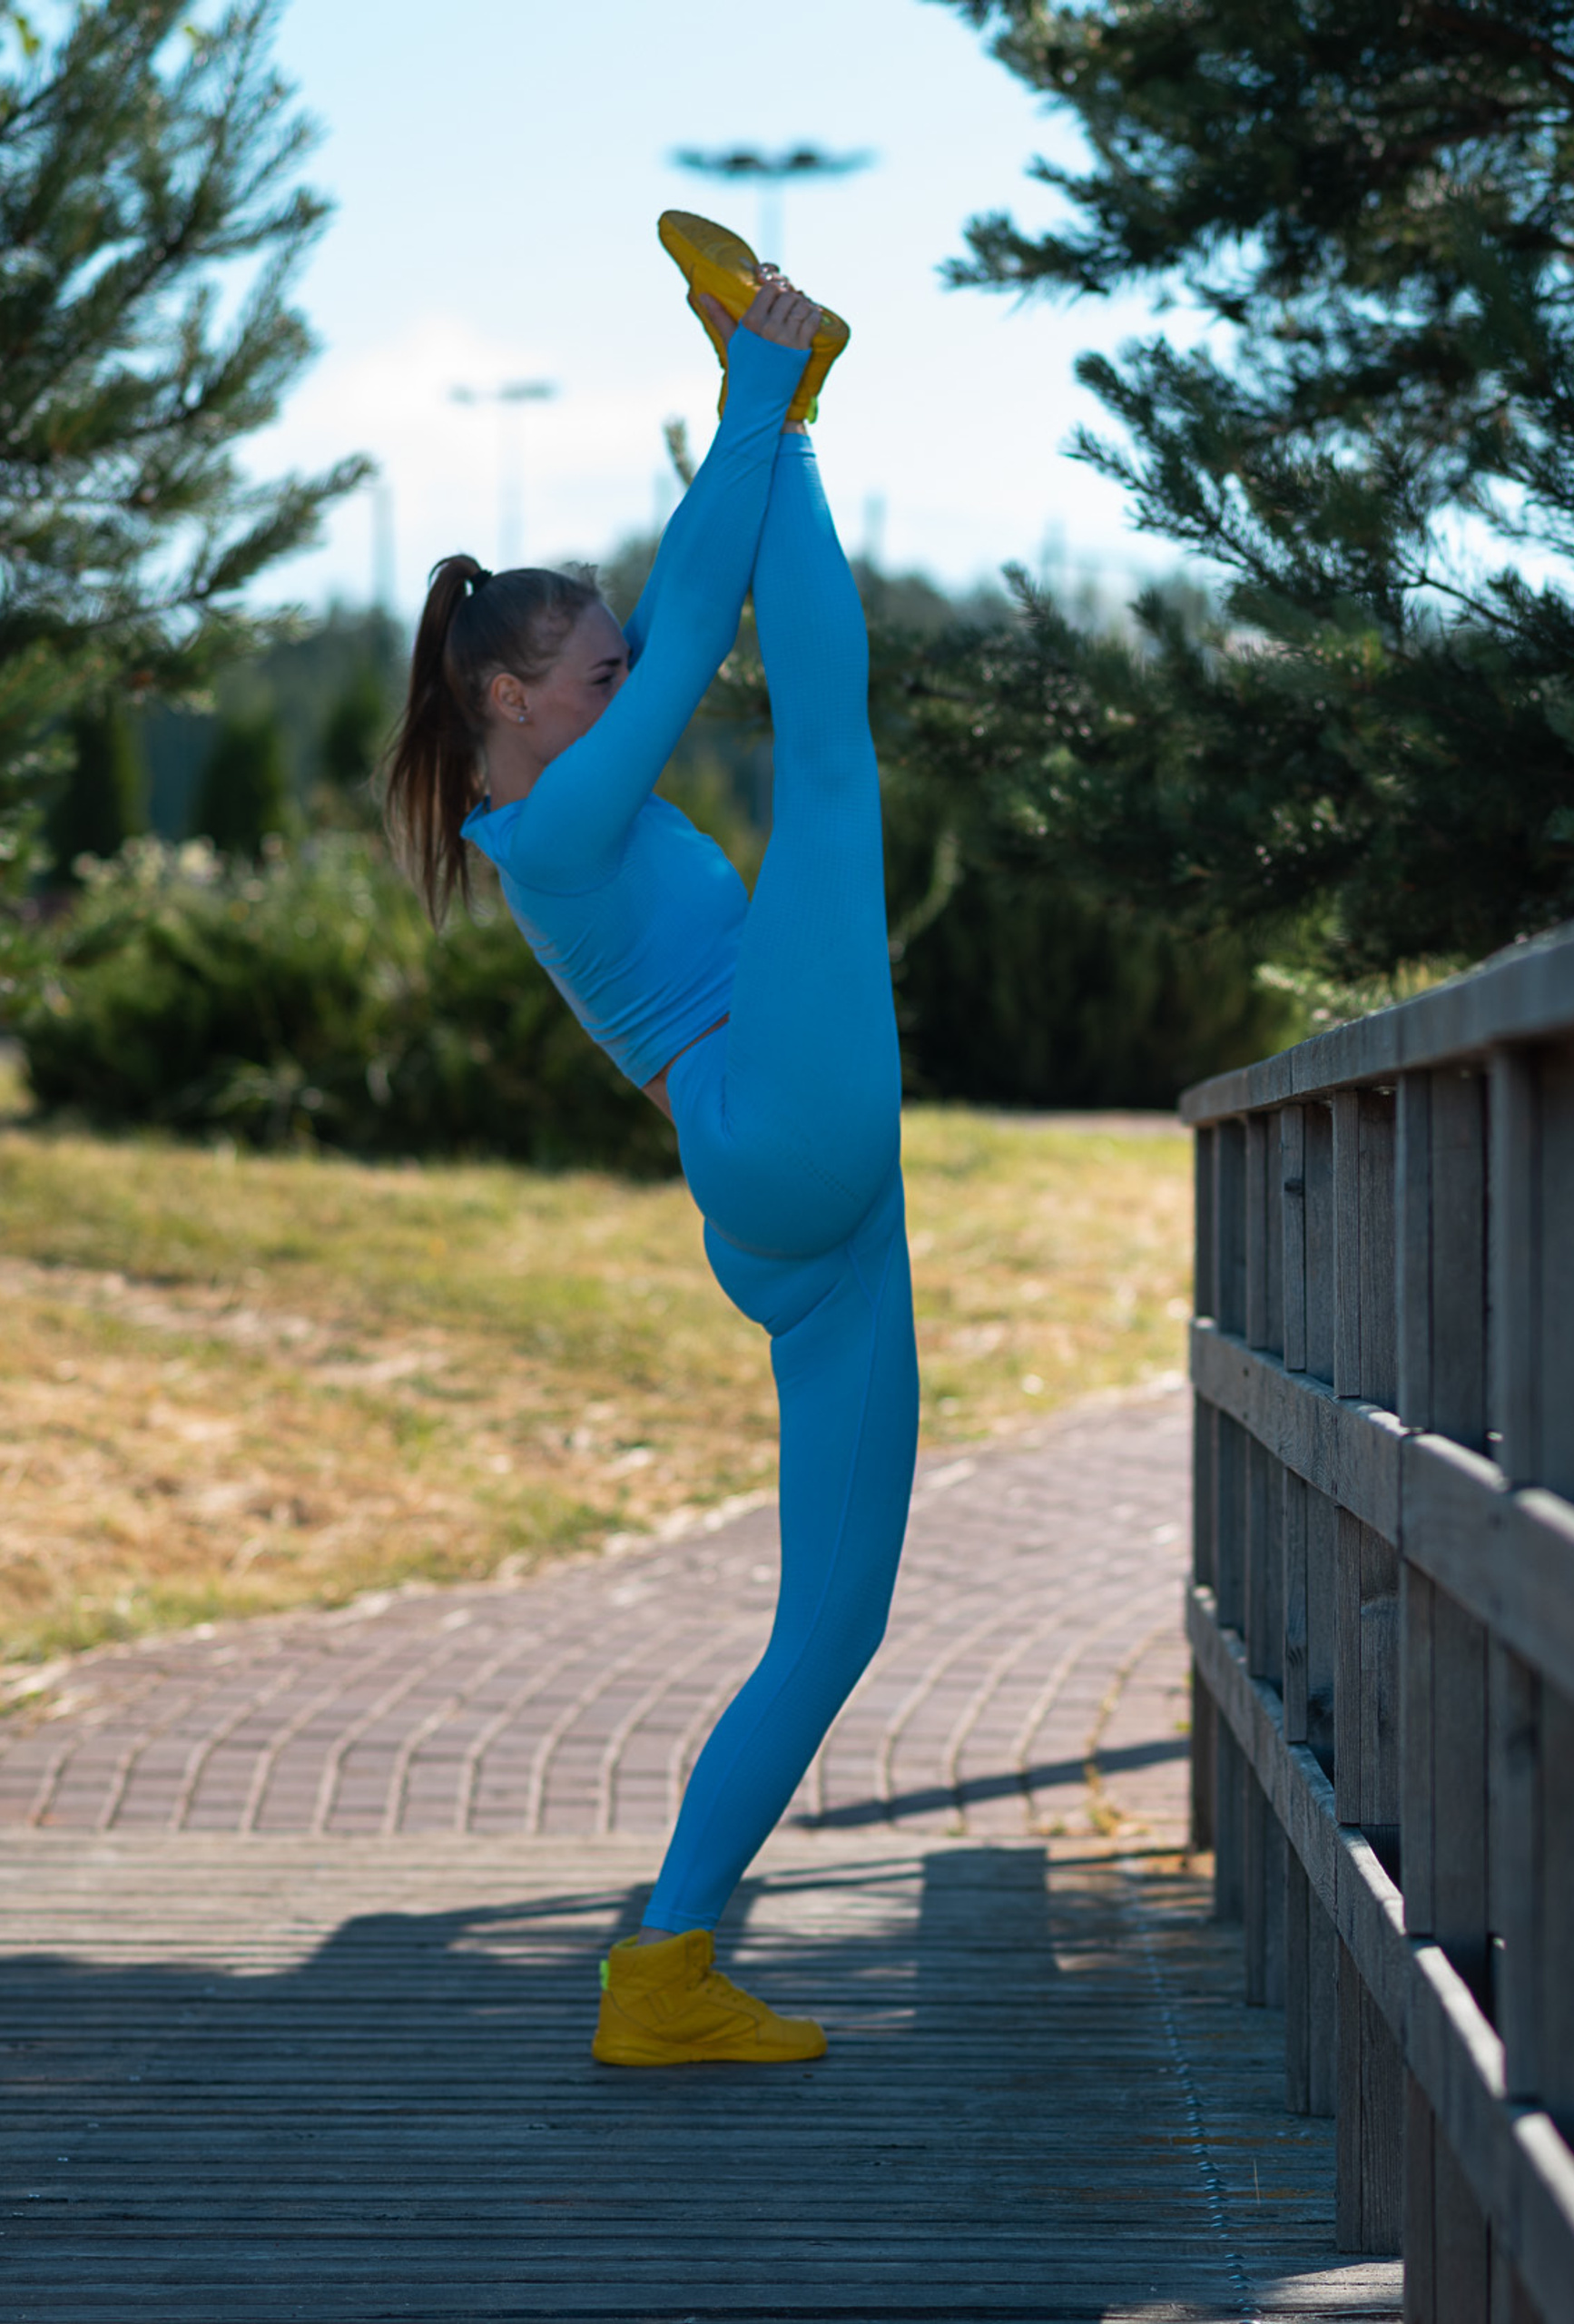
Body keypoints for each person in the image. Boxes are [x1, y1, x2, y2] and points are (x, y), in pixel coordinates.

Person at [381, 245, 916, 2068]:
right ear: (509, 699)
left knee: (836, 1619)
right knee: (825, 767)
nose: (624, 685)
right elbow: (696, 637)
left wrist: (764, 412)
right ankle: (796, 396)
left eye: (610, 668)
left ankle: (664, 1969)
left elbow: (682, 622)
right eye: (590, 672)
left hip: (783, 1200)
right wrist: (757, 404)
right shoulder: (548, 828)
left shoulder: (554, 806)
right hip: (770, 1122)